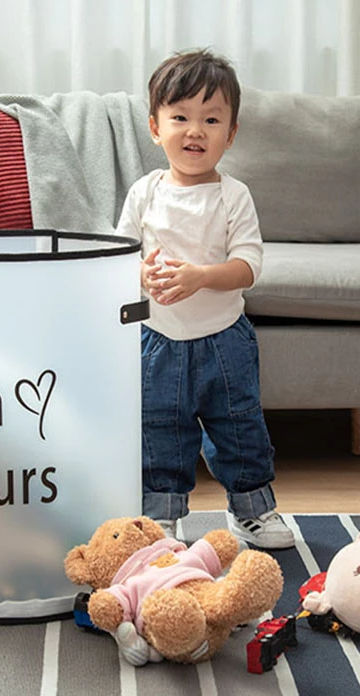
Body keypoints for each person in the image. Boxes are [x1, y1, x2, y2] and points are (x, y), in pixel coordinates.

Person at [116, 49, 295, 550]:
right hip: (157, 340)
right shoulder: (145, 193)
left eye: (211, 119)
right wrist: (141, 273)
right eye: (181, 117)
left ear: (230, 133)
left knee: (239, 429)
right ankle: (162, 518)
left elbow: (248, 267)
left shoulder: (233, 196)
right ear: (155, 127)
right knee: (159, 430)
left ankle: (252, 511)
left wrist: (200, 277)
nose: (195, 130)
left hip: (224, 341)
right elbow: (120, 257)